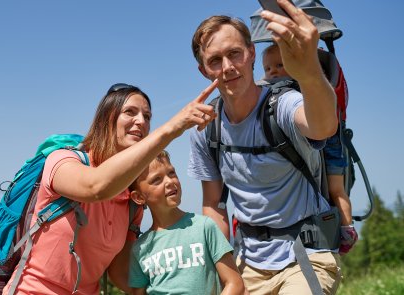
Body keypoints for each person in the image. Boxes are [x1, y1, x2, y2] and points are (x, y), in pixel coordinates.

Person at [2, 80, 218, 295]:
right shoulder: (63, 161)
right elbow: (95, 187)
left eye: (147, 116)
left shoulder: (131, 201)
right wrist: (173, 127)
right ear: (107, 118)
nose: (141, 121)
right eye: (130, 112)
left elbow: (121, 272)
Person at [187, 0, 342, 294]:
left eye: (235, 54)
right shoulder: (206, 128)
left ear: (251, 53)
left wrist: (307, 69)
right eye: (215, 60)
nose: (228, 67)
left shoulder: (280, 105)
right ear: (203, 70)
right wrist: (225, 271)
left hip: (306, 255)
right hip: (247, 262)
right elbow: (214, 207)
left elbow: (323, 126)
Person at [262, 43, 358, 255]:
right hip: (305, 141)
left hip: (330, 143)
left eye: (280, 65)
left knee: (335, 189)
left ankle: (347, 228)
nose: (273, 72)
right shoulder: (274, 93)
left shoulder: (305, 86)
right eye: (268, 68)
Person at [128, 151, 244, 295]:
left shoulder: (204, 227)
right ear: (138, 197)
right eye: (157, 180)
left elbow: (235, 283)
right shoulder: (140, 248)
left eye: (171, 173)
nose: (170, 181)